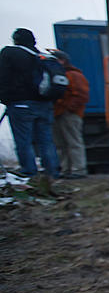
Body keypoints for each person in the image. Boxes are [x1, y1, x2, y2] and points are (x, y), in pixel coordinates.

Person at [0, 28, 60, 180]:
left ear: (16, 39)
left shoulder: (10, 53)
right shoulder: (42, 57)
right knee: (46, 140)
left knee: (23, 140)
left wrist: (5, 98)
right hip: (44, 104)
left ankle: (29, 173)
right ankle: (52, 172)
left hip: (20, 104)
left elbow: (3, 77)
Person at [51, 50, 89, 178]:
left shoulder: (73, 75)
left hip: (68, 113)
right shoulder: (62, 74)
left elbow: (81, 94)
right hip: (58, 113)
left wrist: (69, 108)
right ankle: (66, 169)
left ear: (62, 60)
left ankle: (78, 170)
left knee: (73, 142)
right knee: (61, 144)